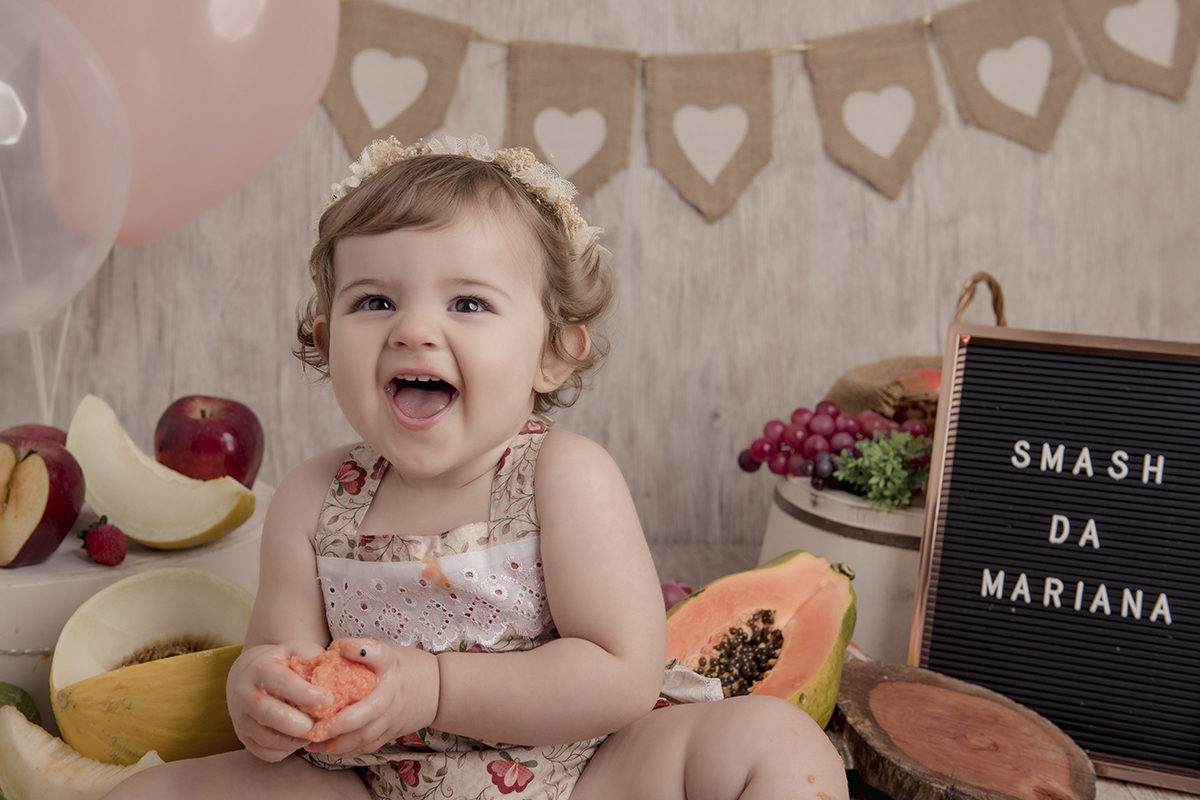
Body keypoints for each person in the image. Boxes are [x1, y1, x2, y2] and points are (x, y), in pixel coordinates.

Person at [104, 135, 848, 800]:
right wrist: (261, 699)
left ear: (553, 354)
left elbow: (621, 674)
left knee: (779, 745)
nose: (414, 330)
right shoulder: (312, 498)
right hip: (369, 781)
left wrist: (433, 688)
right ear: (328, 341)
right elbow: (281, 650)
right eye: (375, 301)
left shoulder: (562, 476)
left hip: (583, 773)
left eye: (466, 302)